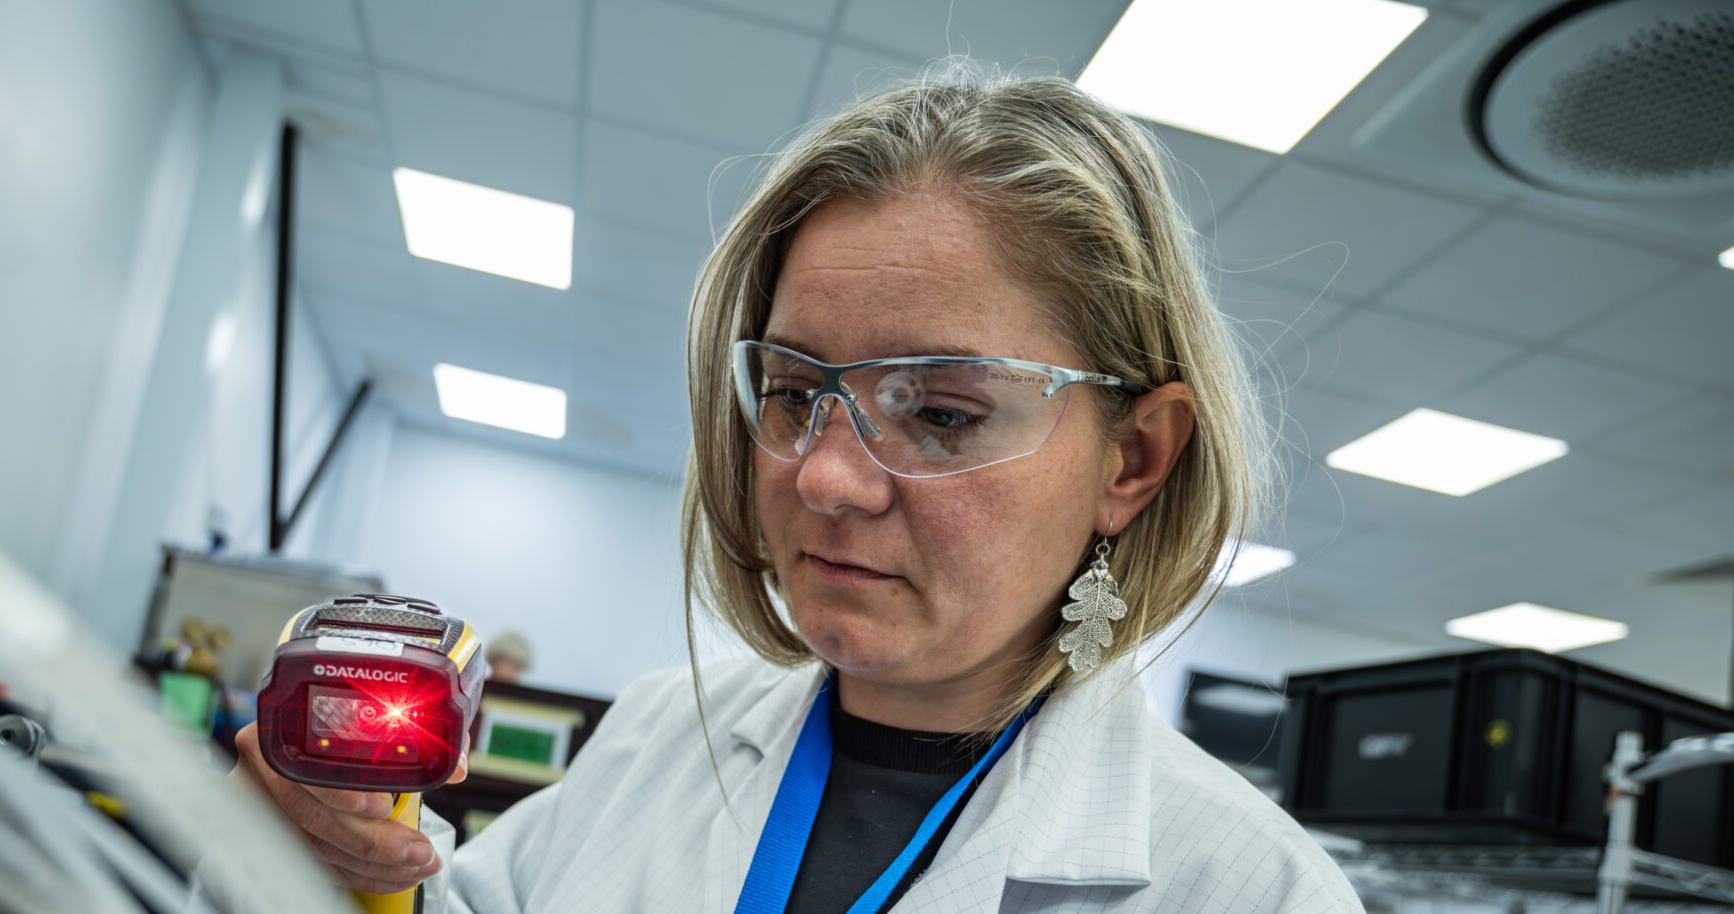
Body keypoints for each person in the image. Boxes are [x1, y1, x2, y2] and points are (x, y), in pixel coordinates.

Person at [231, 67, 1364, 913]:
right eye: (790, 389)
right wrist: (345, 870)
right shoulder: (660, 734)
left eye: (940, 412)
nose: (820, 474)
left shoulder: (1250, 888)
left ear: (1132, 461)